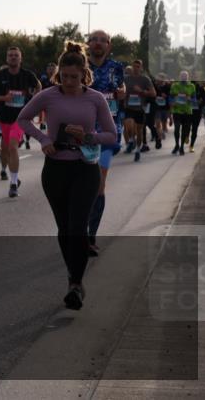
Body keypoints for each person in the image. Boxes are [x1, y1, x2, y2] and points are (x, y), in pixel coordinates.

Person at [18, 42, 116, 310]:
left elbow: (111, 134)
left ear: (84, 74)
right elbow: (23, 119)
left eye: (74, 77)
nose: (69, 82)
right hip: (56, 168)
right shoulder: (48, 95)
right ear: (58, 73)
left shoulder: (95, 98)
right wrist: (43, 139)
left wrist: (88, 136)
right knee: (64, 229)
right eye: (64, 76)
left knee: (78, 227)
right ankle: (73, 277)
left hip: (85, 167)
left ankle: (75, 283)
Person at [85, 29, 126, 257]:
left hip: (109, 132)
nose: (98, 44)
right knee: (83, 182)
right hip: (84, 132)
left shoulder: (116, 67)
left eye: (103, 41)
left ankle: (90, 236)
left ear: (109, 45)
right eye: (95, 40)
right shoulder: (80, 67)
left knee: (99, 182)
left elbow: (121, 88)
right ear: (88, 44)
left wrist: (122, 93)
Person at [0, 48, 42, 197]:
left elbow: (38, 86)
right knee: (5, 150)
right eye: (10, 55)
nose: (13, 58)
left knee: (12, 147)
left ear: (20, 58)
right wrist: (3, 98)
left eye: (16, 55)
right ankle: (13, 176)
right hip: (3, 118)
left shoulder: (27, 75)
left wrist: (34, 101)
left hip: (21, 118)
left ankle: (13, 183)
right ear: (7, 59)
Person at [121, 60, 155, 161]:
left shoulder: (145, 79)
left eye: (138, 67)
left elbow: (153, 93)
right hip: (129, 107)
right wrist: (122, 95)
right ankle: (131, 140)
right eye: (134, 66)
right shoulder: (126, 79)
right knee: (129, 125)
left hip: (140, 108)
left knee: (139, 131)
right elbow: (122, 91)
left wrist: (141, 91)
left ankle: (137, 150)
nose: (136, 68)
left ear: (141, 68)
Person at [169, 71, 196, 155]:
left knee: (184, 130)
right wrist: (171, 102)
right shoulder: (174, 86)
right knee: (176, 129)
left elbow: (194, 100)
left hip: (187, 111)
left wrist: (189, 99)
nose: (184, 77)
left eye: (185, 76)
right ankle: (177, 145)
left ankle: (181, 147)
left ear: (188, 77)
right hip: (177, 110)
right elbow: (170, 97)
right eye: (182, 76)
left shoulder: (191, 86)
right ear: (179, 77)